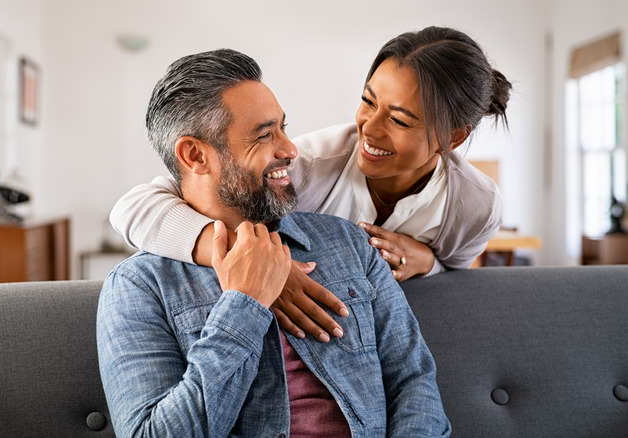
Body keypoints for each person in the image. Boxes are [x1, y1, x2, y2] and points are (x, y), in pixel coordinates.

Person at [97, 48, 450, 437]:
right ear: (195, 155)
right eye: (265, 135)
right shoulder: (139, 287)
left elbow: (414, 381)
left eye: (283, 127)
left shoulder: (349, 242)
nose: (290, 149)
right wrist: (243, 306)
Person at [109, 26, 512, 342]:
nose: (368, 129)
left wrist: (429, 263)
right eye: (368, 101)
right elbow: (134, 208)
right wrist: (255, 262)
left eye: (400, 120)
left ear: (453, 137)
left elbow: (456, 278)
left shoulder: (475, 206)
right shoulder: (309, 165)